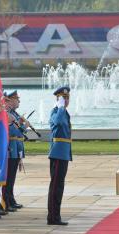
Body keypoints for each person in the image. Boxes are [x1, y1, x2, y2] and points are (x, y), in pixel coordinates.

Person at [47, 86, 72, 226]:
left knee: (59, 186)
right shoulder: (56, 111)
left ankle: (55, 215)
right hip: (57, 153)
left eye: (67, 98)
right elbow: (57, 122)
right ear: (58, 99)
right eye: (63, 98)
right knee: (55, 186)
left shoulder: (63, 112)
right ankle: (52, 217)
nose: (66, 100)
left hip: (63, 153)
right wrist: (61, 107)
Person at [5, 90, 27, 211]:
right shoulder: (8, 114)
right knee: (8, 177)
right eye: (16, 99)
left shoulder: (14, 113)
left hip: (15, 147)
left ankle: (10, 198)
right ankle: (6, 200)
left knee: (11, 177)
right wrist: (23, 125)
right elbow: (14, 131)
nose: (18, 101)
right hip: (10, 147)